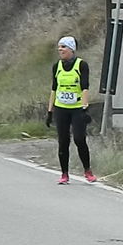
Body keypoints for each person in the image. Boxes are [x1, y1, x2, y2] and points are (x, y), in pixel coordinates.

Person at [46, 36, 96, 185]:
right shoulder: (57, 67)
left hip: (77, 109)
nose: (60, 49)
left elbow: (85, 87)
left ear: (71, 49)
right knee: (63, 141)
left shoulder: (81, 65)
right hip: (61, 108)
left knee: (79, 139)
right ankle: (64, 174)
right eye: (59, 47)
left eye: (63, 47)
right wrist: (50, 112)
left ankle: (87, 170)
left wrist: (84, 108)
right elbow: (54, 89)